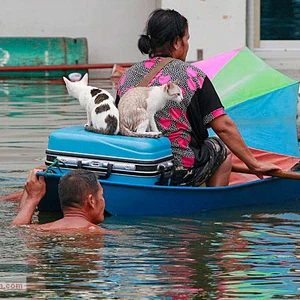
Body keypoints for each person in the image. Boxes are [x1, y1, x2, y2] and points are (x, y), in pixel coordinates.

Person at [116, 8, 280, 187]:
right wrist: (253, 163)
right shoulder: (192, 76)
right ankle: (215, 203)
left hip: (131, 163)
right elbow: (223, 127)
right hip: (176, 167)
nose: (187, 45)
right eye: (187, 40)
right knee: (221, 148)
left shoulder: (128, 76)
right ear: (177, 43)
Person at [11, 168, 112, 234]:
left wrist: (32, 199)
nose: (103, 201)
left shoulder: (41, 230)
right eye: (101, 195)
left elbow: (16, 230)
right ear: (91, 201)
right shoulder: (98, 233)